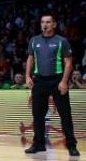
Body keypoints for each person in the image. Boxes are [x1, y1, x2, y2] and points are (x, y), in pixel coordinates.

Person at [24, 14, 79, 156]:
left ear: (54, 24)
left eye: (48, 22)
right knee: (37, 114)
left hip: (57, 80)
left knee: (65, 114)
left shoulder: (62, 41)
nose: (45, 24)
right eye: (42, 22)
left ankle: (71, 145)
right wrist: (27, 76)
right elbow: (30, 59)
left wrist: (64, 81)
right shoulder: (34, 40)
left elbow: (68, 63)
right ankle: (39, 144)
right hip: (39, 81)